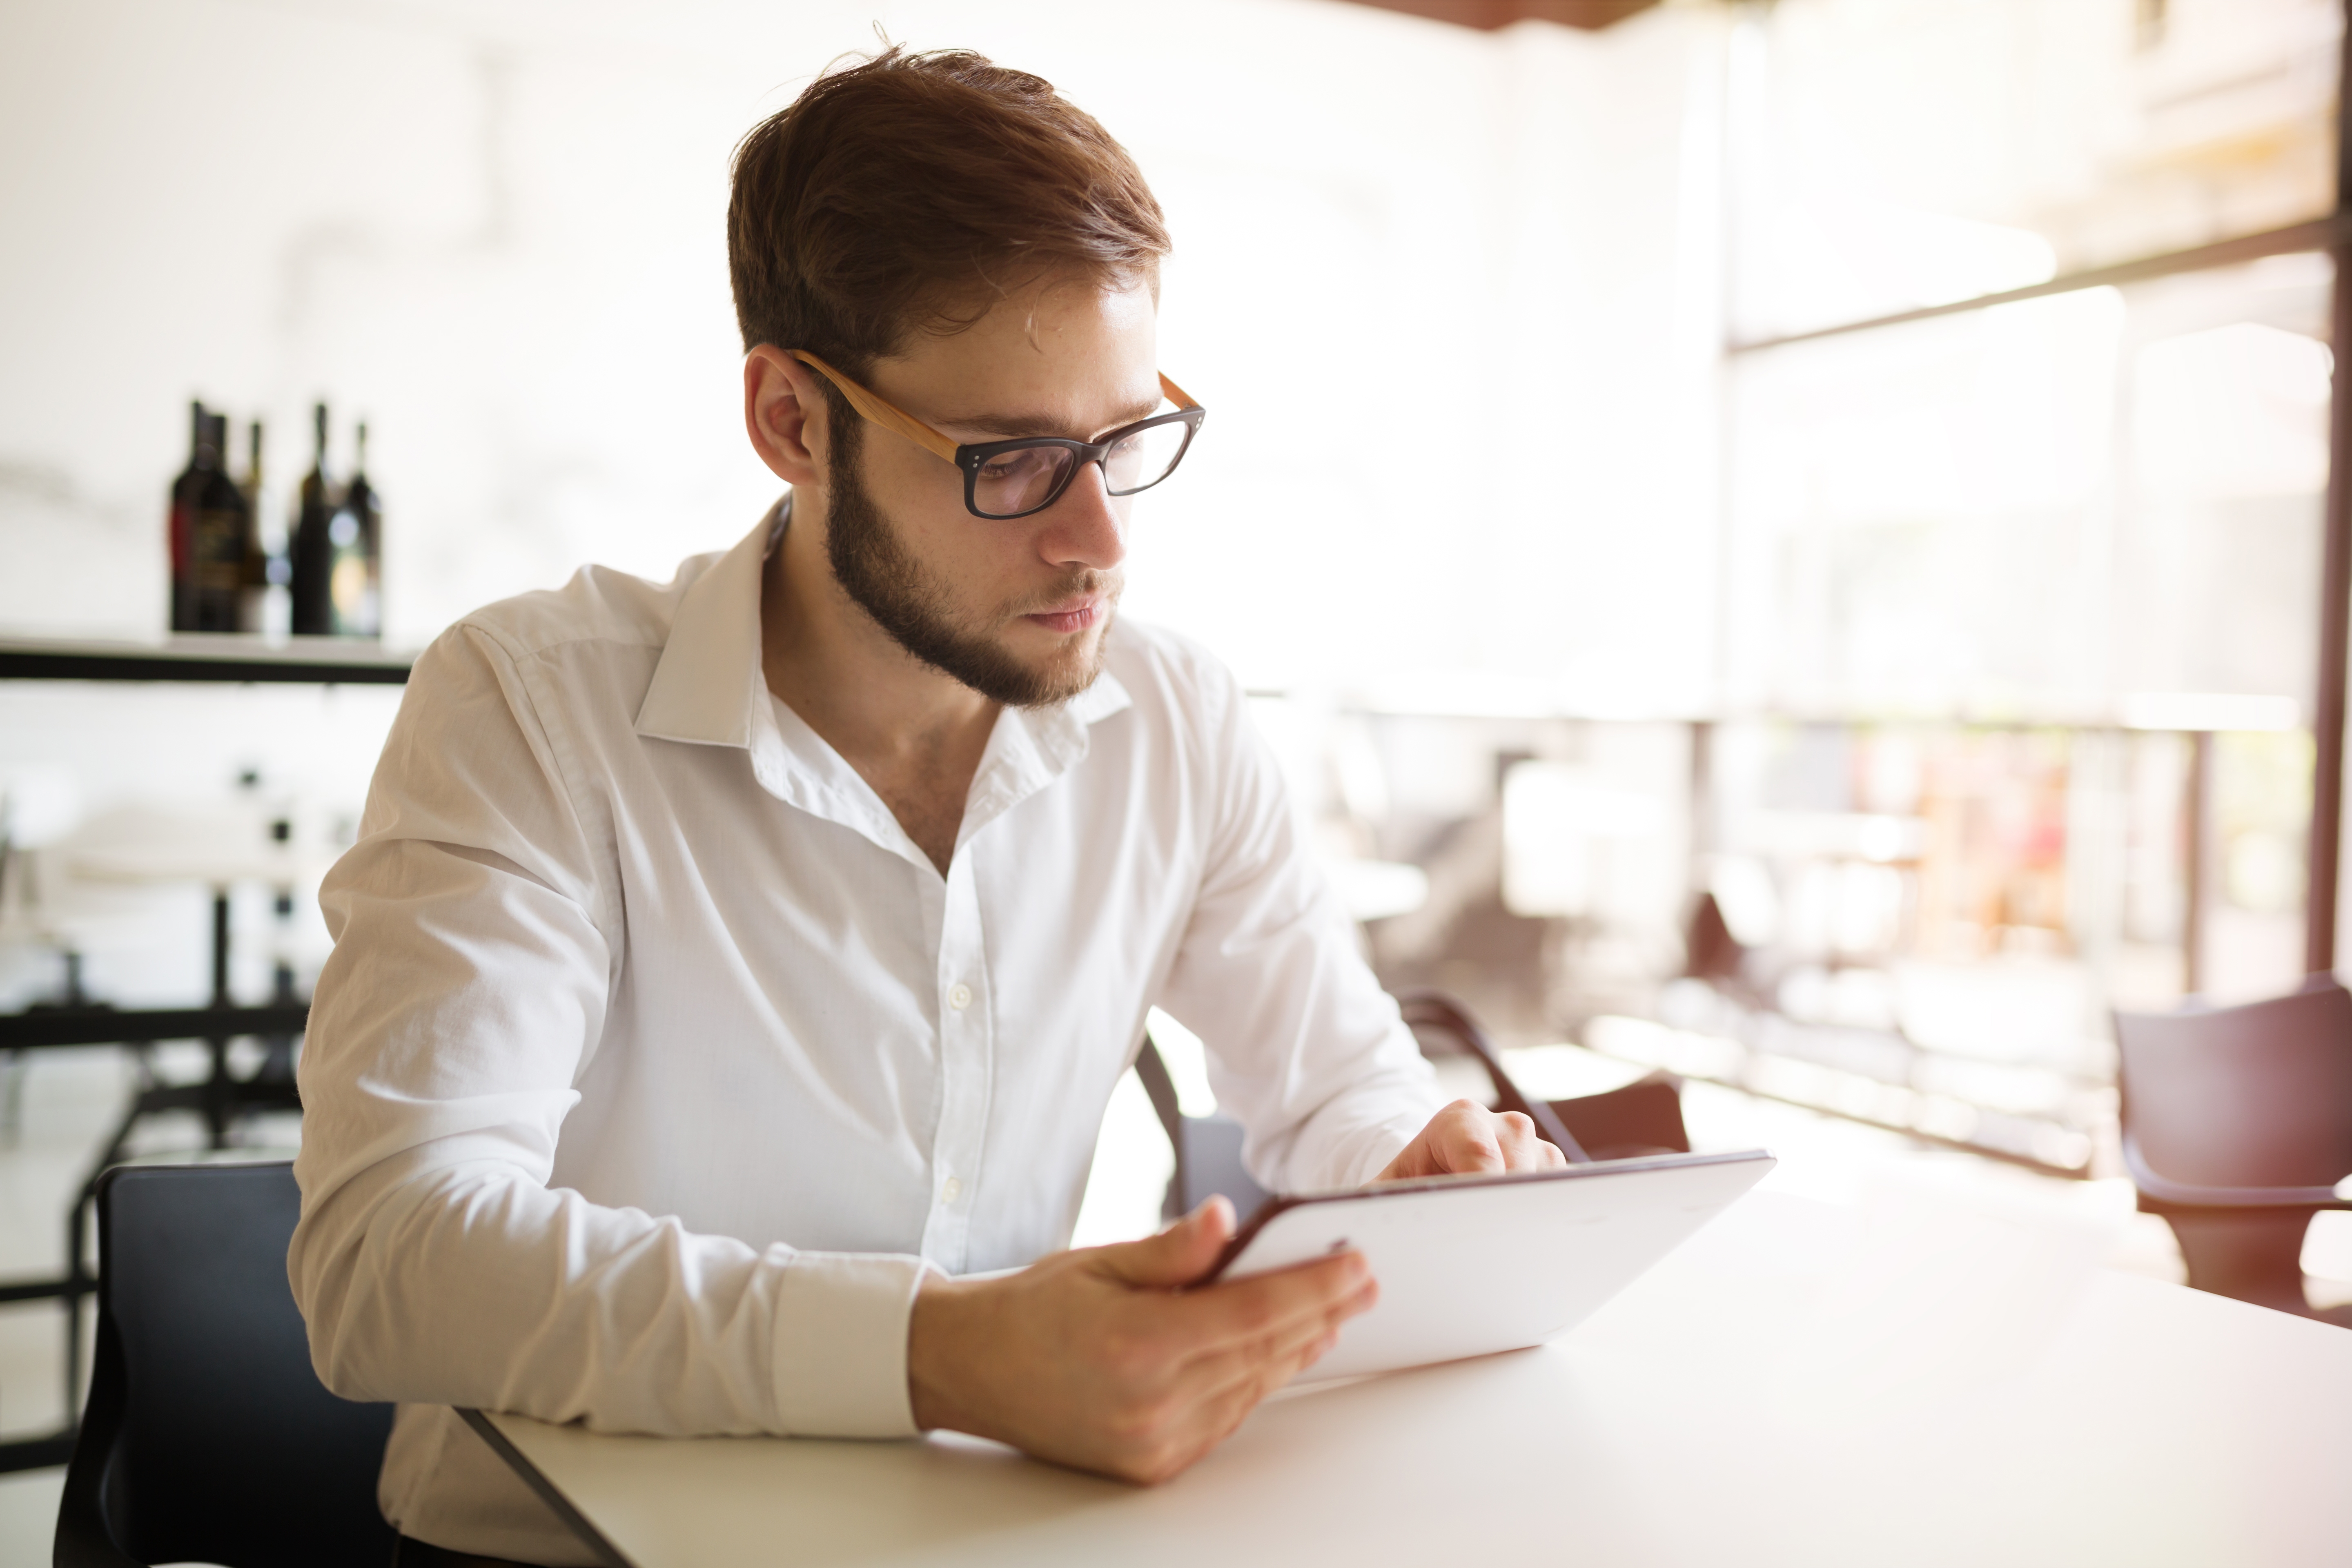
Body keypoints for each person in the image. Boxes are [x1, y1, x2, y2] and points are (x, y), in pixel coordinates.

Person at [289, 45, 1564, 1567]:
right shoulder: (530, 705)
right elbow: (391, 1262)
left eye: (1127, 436)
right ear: (792, 421)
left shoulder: (1176, 720)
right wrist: (939, 1353)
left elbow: (1336, 1087)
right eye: (1016, 461)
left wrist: (1414, 1150)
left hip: (978, 1528)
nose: (1099, 541)